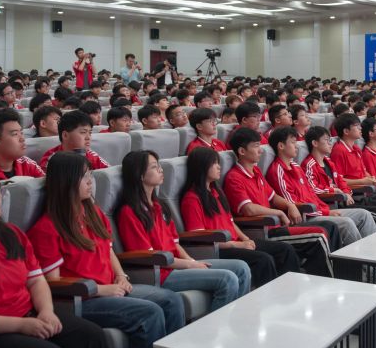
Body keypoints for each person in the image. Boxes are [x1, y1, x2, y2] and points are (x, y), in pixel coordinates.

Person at [27, 152, 185, 348]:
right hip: (84, 299)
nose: (90, 182)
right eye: (84, 176)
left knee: (171, 300)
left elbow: (108, 250)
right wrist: (100, 290)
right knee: (149, 312)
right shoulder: (47, 228)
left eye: (90, 175)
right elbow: (54, 282)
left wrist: (121, 276)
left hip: (112, 287)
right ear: (66, 181)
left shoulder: (93, 213)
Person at [0, 170, 109, 348]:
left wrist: (46, 311)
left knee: (92, 336)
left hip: (29, 313)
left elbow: (36, 281)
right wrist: (20, 325)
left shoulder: (11, 234)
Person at [117, 151, 250, 311]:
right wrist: (189, 265)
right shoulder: (129, 212)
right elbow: (152, 257)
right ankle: (217, 324)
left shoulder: (159, 206)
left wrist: (192, 261)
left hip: (177, 265)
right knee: (227, 279)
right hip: (161, 272)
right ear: (140, 175)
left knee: (241, 268)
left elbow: (175, 244)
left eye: (159, 166)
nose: (160, 170)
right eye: (154, 167)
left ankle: (237, 318)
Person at [223, 127, 339, 277]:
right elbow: (248, 209)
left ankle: (320, 275)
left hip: (277, 225)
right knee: (318, 236)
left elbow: (273, 197)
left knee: (329, 226)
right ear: (242, 151)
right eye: (256, 146)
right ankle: (326, 280)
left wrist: (289, 205)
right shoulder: (234, 177)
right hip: (262, 229)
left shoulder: (256, 172)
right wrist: (278, 212)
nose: (261, 150)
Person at [181, 147, 300, 287]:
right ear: (201, 167)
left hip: (235, 242)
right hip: (218, 249)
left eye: (218, 163)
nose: (219, 167)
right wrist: (238, 244)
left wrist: (245, 238)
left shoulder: (216, 193)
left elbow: (230, 222)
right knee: (263, 260)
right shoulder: (192, 199)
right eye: (214, 163)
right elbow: (199, 238)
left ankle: (291, 290)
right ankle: (271, 297)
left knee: (285, 250)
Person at [266, 126, 376, 245]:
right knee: (346, 223)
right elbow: (292, 203)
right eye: (293, 142)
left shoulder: (296, 166)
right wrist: (326, 212)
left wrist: (326, 210)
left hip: (319, 211)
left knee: (364, 215)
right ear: (281, 146)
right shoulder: (277, 170)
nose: (297, 146)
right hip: (305, 216)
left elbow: (311, 194)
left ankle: (373, 250)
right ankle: (357, 255)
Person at [0, 109, 45, 180]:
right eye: (15, 134)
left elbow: (46, 183)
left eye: (21, 133)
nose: (22, 139)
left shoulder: (26, 163)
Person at [39, 111, 109, 171]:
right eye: (83, 132)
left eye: (90, 133)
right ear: (65, 135)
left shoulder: (90, 155)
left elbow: (108, 173)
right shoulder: (51, 159)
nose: (88, 138)